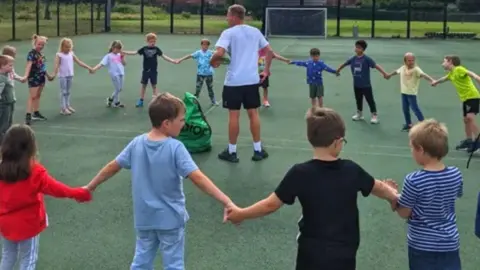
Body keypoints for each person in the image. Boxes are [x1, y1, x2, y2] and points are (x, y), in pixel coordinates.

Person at [226, 107, 399, 270]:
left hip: (311, 252)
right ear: (337, 142)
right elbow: (378, 187)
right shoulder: (351, 169)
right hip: (344, 251)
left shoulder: (299, 173)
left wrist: (241, 213)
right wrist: (393, 197)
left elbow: (270, 205)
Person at [85, 93, 234, 270]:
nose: (183, 123)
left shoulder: (136, 143)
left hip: (144, 218)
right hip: (170, 219)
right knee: (174, 264)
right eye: (180, 120)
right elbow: (198, 178)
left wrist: (90, 186)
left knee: (141, 261)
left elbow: (113, 166)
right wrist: (226, 200)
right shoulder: (175, 147)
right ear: (166, 123)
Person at [0, 124, 91, 270]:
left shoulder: (2, 170)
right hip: (28, 224)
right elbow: (58, 189)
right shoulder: (35, 172)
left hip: (5, 223)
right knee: (28, 259)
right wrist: (78, 192)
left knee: (8, 254)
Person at [390, 119, 463, 270]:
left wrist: (393, 197)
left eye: (412, 148)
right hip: (449, 242)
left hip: (422, 245)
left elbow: (404, 212)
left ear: (421, 150)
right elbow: (454, 194)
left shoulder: (414, 180)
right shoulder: (456, 174)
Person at [210, 4, 274, 163]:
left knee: (234, 115)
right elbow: (270, 52)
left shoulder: (228, 33)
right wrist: (265, 71)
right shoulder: (255, 31)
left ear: (233, 16)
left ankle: (232, 152)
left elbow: (219, 52)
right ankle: (258, 150)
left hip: (234, 82)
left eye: (227, 15)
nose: (226, 18)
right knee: (254, 114)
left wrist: (212, 62)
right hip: (252, 80)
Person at [431, 55, 480, 152]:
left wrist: (477, 77)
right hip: (465, 99)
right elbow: (444, 78)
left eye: (444, 61)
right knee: (466, 120)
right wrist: (436, 82)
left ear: (450, 62)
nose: (442, 64)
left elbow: (470, 73)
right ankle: (469, 140)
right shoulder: (451, 73)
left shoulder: (458, 69)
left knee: (470, 118)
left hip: (472, 96)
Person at [336, 40, 388, 124]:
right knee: (358, 99)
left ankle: (374, 115)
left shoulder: (367, 59)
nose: (356, 49)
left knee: (369, 99)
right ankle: (359, 114)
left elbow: (376, 66)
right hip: (356, 84)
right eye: (356, 47)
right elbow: (345, 64)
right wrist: (338, 70)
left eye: (359, 48)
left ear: (363, 49)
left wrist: (384, 73)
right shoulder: (353, 58)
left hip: (366, 85)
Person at [122, 33, 178, 108]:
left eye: (154, 41)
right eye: (151, 41)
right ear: (147, 41)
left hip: (153, 71)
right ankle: (141, 100)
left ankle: (156, 101)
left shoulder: (156, 49)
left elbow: (164, 56)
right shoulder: (144, 49)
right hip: (145, 71)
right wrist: (125, 52)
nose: (153, 43)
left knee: (154, 86)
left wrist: (173, 60)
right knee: (144, 85)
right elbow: (135, 52)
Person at [386, 52, 434, 131]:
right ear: (405, 61)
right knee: (405, 109)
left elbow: (424, 75)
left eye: (412, 60)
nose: (411, 62)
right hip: (404, 92)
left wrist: (432, 80)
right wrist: (389, 75)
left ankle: (424, 125)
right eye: (409, 60)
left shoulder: (416, 69)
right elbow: (396, 71)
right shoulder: (403, 68)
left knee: (415, 109)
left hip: (411, 93)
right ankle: (408, 124)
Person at [52, 38, 92, 115]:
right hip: (63, 76)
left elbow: (79, 62)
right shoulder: (59, 55)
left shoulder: (71, 53)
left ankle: (67, 105)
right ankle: (63, 108)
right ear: (62, 47)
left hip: (70, 75)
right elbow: (56, 65)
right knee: (63, 91)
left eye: (69, 47)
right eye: (66, 47)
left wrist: (88, 67)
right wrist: (54, 74)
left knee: (68, 91)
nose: (68, 49)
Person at [176, 38, 219, 105]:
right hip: (200, 74)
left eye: (206, 45)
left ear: (208, 46)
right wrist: (181, 59)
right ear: (201, 45)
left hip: (209, 74)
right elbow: (190, 56)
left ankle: (213, 101)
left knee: (210, 88)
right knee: (198, 88)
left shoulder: (211, 53)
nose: (205, 46)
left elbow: (218, 56)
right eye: (203, 45)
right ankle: (195, 100)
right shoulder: (198, 53)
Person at [23, 35, 54, 125]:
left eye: (42, 45)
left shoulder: (41, 55)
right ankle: (28, 115)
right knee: (32, 96)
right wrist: (26, 76)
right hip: (34, 77)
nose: (40, 46)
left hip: (41, 77)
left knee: (38, 95)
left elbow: (43, 67)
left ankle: (36, 112)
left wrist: (48, 76)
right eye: (39, 44)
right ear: (35, 43)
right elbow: (29, 65)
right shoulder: (31, 54)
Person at [91, 40, 127, 108]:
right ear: (113, 48)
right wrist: (94, 69)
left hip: (121, 73)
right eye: (117, 48)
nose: (118, 50)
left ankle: (111, 99)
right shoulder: (109, 56)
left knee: (120, 89)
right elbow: (101, 64)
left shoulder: (120, 55)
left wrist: (123, 57)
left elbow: (124, 64)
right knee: (117, 88)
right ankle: (116, 102)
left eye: (120, 49)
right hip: (114, 74)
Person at [0, 55, 16, 142]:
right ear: (2, 66)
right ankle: (3, 143)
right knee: (3, 125)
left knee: (9, 123)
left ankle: (8, 140)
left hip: (9, 102)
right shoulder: (1, 78)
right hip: (4, 104)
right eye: (10, 65)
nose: (12, 67)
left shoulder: (6, 75)